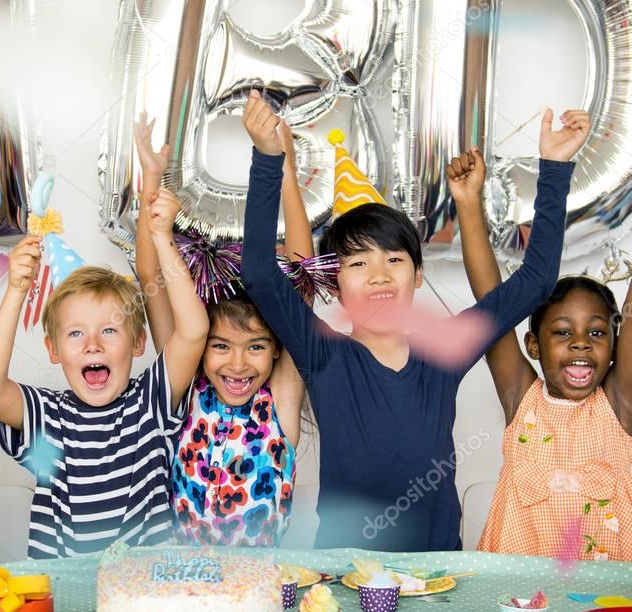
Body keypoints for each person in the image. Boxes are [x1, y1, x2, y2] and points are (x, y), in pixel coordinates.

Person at [240, 88, 589, 551]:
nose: (379, 276)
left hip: (440, 575)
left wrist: (556, 168)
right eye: (357, 264)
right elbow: (260, 274)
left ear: (418, 276)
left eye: (394, 260)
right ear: (334, 283)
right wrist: (268, 159)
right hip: (346, 575)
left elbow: (538, 280)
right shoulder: (323, 353)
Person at [0, 187, 208, 558]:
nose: (92, 345)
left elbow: (193, 330)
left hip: (143, 595)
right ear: (54, 350)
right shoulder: (46, 415)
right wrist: (16, 291)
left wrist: (163, 240)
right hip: (62, 596)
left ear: (138, 343)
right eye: (76, 333)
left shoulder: (152, 402)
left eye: (110, 330)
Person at [132, 112, 309, 546]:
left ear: (276, 351)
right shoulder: (186, 389)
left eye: (255, 347)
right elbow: (150, 279)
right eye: (222, 346)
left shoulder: (280, 401)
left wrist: (284, 169)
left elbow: (303, 278)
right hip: (185, 587)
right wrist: (152, 181)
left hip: (258, 591)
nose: (237, 362)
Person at [447, 146, 632, 560]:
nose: (581, 343)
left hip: (603, 602)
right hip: (515, 594)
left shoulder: (619, 404)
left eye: (597, 332)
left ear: (616, 343)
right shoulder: (521, 396)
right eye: (563, 332)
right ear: (533, 345)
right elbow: (490, 299)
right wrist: (468, 204)